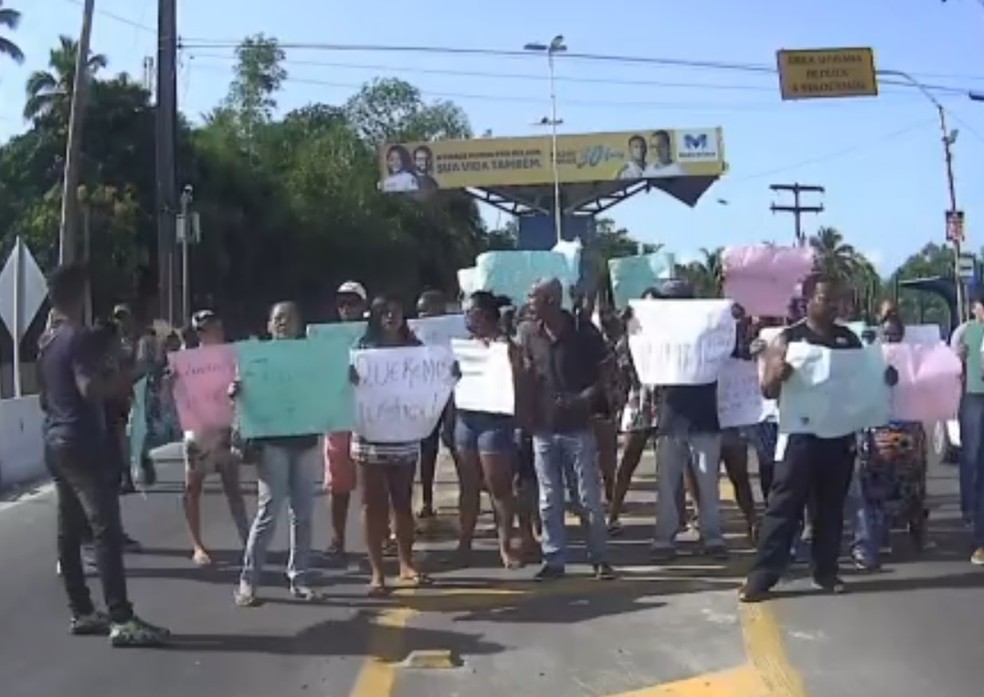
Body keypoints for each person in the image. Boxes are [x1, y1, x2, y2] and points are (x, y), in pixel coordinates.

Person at [739, 274, 897, 601]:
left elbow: (864, 384)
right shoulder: (788, 338)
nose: (833, 305)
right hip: (800, 436)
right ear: (809, 300)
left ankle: (825, 572)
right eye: (826, 298)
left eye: (837, 299)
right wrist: (778, 375)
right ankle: (762, 576)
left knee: (830, 508)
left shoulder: (849, 340)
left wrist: (883, 380)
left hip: (838, 436)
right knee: (784, 506)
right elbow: (767, 389)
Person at [40, 263, 169, 646]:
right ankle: (121, 619)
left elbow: (49, 396)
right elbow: (90, 388)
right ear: (82, 293)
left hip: (55, 441)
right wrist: (137, 371)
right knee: (106, 532)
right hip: (84, 442)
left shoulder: (46, 341)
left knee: (69, 527)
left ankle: (81, 611)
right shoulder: (78, 339)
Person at [520, 278, 616, 581]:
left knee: (586, 496)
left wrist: (583, 399)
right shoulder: (528, 334)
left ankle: (599, 558)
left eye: (533, 297)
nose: (529, 302)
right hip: (543, 429)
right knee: (549, 499)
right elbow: (525, 373)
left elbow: (606, 373)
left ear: (550, 300)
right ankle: (554, 560)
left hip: (577, 428)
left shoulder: (584, 333)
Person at [233, 302, 322, 606]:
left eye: (290, 318)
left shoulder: (312, 358)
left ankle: (300, 577)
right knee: (269, 511)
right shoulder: (256, 359)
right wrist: (237, 390)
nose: (284, 323)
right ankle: (248, 580)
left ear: (299, 325)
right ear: (269, 325)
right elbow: (244, 394)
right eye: (278, 319)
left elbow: (328, 388)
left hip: (306, 441)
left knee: (304, 514)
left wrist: (342, 381)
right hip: (272, 444)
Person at [350, 295, 432, 594]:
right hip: (369, 436)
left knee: (402, 501)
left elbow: (431, 382)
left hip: (403, 435)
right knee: (372, 505)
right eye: (383, 312)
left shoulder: (416, 350)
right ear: (373, 316)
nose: (389, 316)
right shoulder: (360, 349)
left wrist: (449, 375)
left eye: (395, 311)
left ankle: (406, 563)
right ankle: (377, 572)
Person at [650, 279, 728, 562]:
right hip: (671, 417)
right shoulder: (658, 334)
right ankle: (664, 538)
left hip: (703, 417)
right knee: (667, 484)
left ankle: (713, 536)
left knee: (707, 484)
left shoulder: (707, 331)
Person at [850, 314, 930, 571]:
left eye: (895, 334)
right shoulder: (870, 360)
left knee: (911, 487)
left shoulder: (913, 361)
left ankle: (914, 525)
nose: (891, 338)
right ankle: (866, 546)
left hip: (908, 431)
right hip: (877, 432)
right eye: (887, 334)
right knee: (870, 489)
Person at [454, 291, 525, 568]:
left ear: (483, 315)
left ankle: (505, 545)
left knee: (499, 486)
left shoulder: (505, 346)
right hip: (466, 418)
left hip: (495, 420)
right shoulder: (464, 346)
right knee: (468, 486)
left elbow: (519, 377)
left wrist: (512, 361)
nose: (466, 318)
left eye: (470, 312)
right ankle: (465, 541)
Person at [180, 310, 250, 566]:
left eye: (209, 328)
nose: (205, 333)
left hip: (226, 427)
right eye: (200, 330)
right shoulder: (188, 361)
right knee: (192, 488)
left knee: (233, 489)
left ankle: (248, 541)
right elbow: (178, 398)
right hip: (198, 432)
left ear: (219, 328)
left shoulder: (233, 357)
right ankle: (197, 545)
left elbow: (244, 387)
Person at [323, 281, 368, 566]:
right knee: (337, 485)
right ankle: (337, 539)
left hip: (369, 417)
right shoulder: (325, 338)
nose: (346, 308)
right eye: (342, 303)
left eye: (352, 302)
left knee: (372, 483)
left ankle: (381, 537)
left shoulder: (375, 334)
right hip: (336, 417)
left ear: (363, 305)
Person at [415, 289, 457, 521]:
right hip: (426, 397)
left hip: (451, 395)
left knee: (456, 446)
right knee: (427, 449)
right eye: (420, 311)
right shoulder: (413, 334)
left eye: (427, 311)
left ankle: (466, 497)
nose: (423, 316)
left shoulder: (455, 332)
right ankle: (427, 500)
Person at [953, 293, 984, 565]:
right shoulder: (966, 332)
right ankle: (973, 519)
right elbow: (953, 364)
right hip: (975, 398)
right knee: (973, 459)